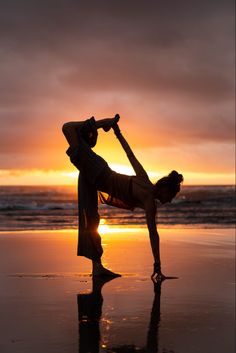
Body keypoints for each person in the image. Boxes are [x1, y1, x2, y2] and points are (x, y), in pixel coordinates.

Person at [62, 114, 183, 281]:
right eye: (171, 195)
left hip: (95, 179)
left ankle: (97, 268)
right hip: (99, 171)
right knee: (68, 128)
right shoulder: (149, 202)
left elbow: (130, 154)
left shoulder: (144, 178)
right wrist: (157, 266)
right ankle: (102, 123)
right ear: (164, 189)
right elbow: (153, 234)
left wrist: (118, 133)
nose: (170, 200)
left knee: (91, 219)